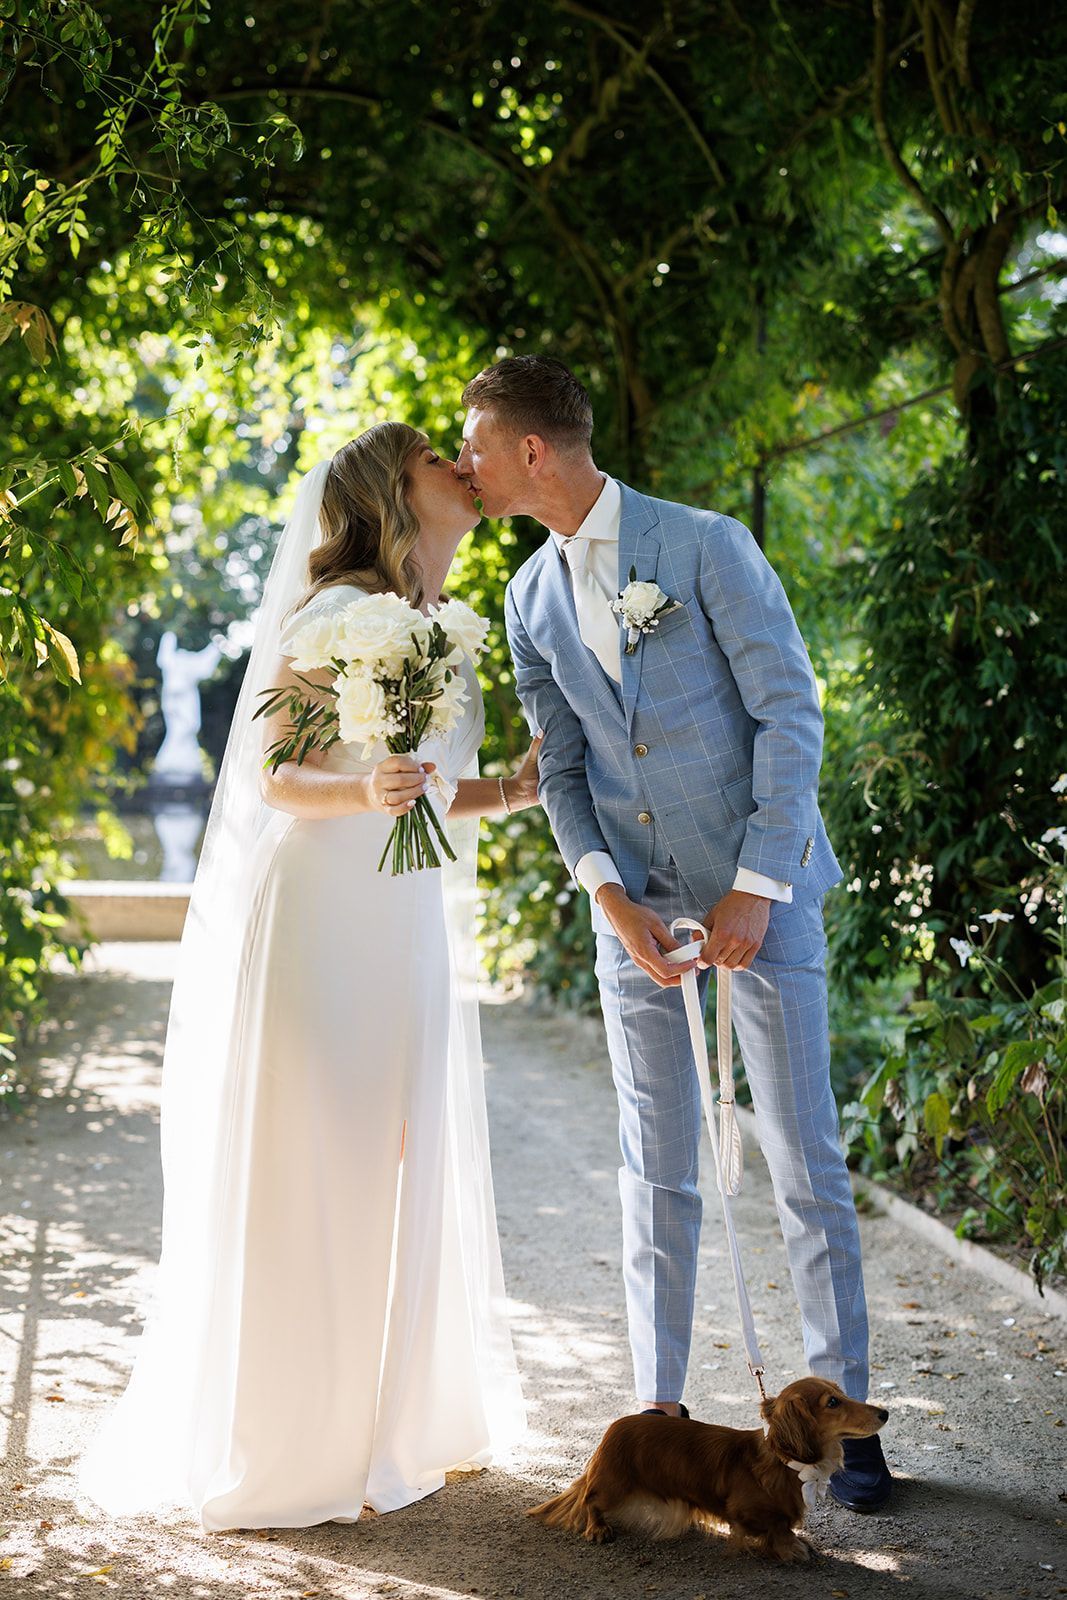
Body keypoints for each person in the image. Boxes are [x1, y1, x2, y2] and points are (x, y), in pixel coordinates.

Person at [78, 423, 534, 1532]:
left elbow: (425, 789)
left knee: (395, 1147)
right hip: (324, 905)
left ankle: (378, 1419)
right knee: (319, 1153)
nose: (458, 468)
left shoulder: (437, 620)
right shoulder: (333, 612)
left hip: (400, 908)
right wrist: (365, 793)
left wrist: (513, 791)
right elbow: (277, 775)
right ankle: (293, 1437)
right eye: (435, 458)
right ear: (393, 493)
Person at [457, 356, 892, 1513]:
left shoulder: (704, 546)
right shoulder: (526, 598)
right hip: (634, 913)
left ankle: (843, 1426)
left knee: (802, 1158)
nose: (462, 464)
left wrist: (754, 885)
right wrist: (611, 901)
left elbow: (788, 712)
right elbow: (559, 772)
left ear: (529, 449)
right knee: (652, 1167)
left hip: (763, 893)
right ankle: (656, 1417)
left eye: (474, 443)